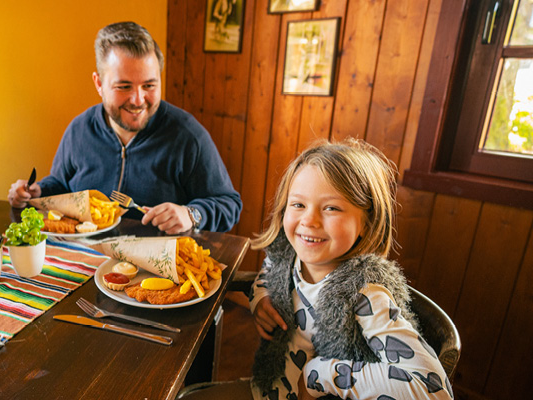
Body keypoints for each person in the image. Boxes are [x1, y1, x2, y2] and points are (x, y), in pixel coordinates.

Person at [183, 139, 452, 400]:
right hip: (267, 390)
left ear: (366, 225)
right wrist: (260, 298)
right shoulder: (286, 256)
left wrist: (319, 375)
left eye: (331, 208)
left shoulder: (365, 294)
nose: (309, 221)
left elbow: (432, 390)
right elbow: (266, 274)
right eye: (298, 204)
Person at [7, 21, 241, 234]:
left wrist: (192, 214)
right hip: (82, 262)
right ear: (99, 84)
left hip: (156, 273)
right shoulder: (79, 130)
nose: (138, 100)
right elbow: (61, 184)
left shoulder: (189, 136)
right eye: (124, 87)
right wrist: (37, 192)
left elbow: (229, 204)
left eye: (149, 85)